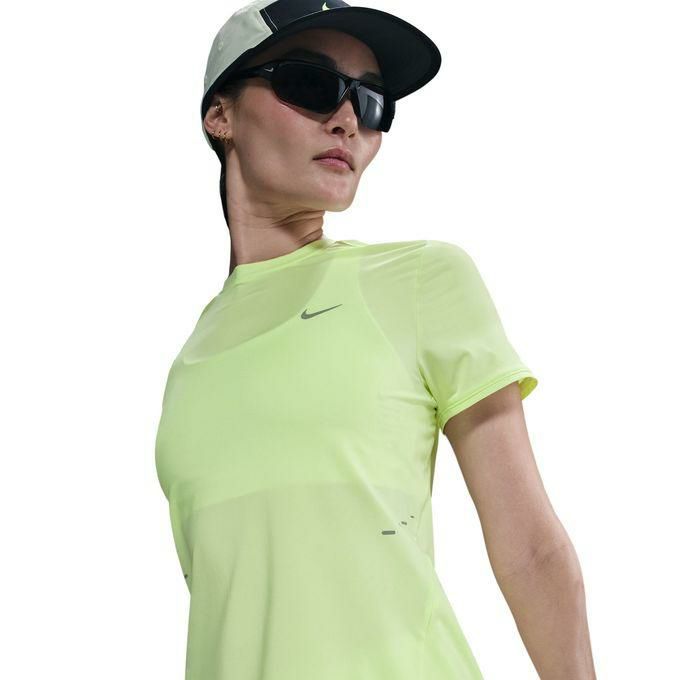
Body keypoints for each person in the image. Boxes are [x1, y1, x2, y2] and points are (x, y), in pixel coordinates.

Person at [154, 1, 597, 678]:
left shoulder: (422, 281)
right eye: (310, 84)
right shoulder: (189, 362)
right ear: (221, 115)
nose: (347, 121)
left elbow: (531, 550)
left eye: (371, 102)